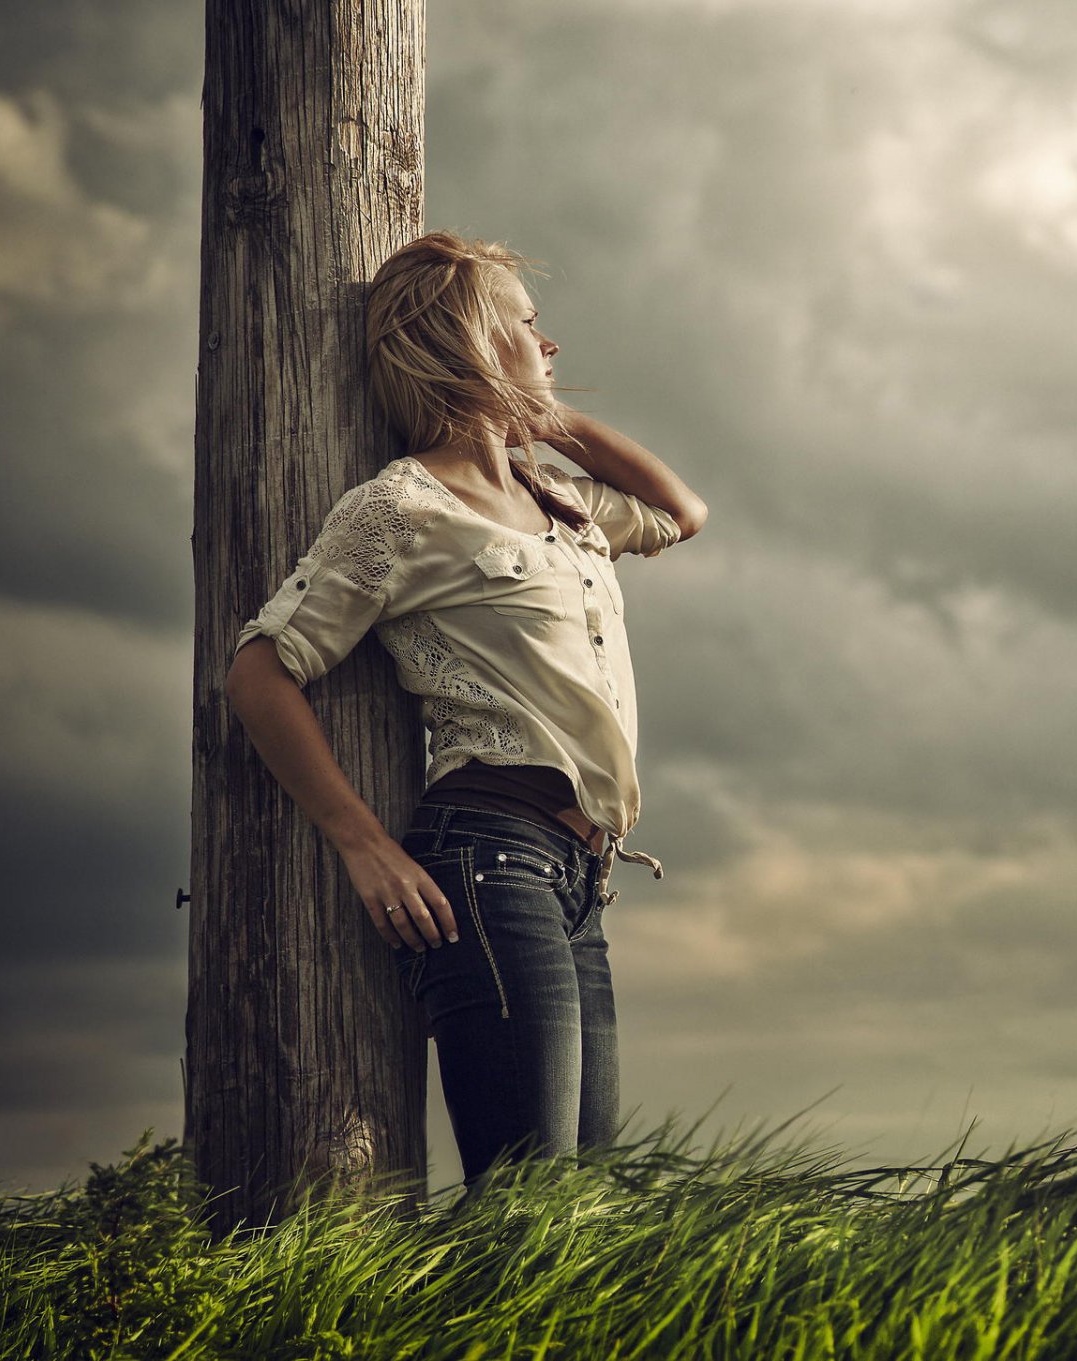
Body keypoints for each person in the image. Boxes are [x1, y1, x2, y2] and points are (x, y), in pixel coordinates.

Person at [223, 229, 708, 1196]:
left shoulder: (557, 499)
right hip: (489, 862)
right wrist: (362, 842)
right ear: (475, 343)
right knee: (526, 1209)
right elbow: (261, 670)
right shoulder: (400, 509)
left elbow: (680, 510)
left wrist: (541, 419)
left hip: (578, 875)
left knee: (581, 1213)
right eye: (530, 327)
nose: (552, 345)